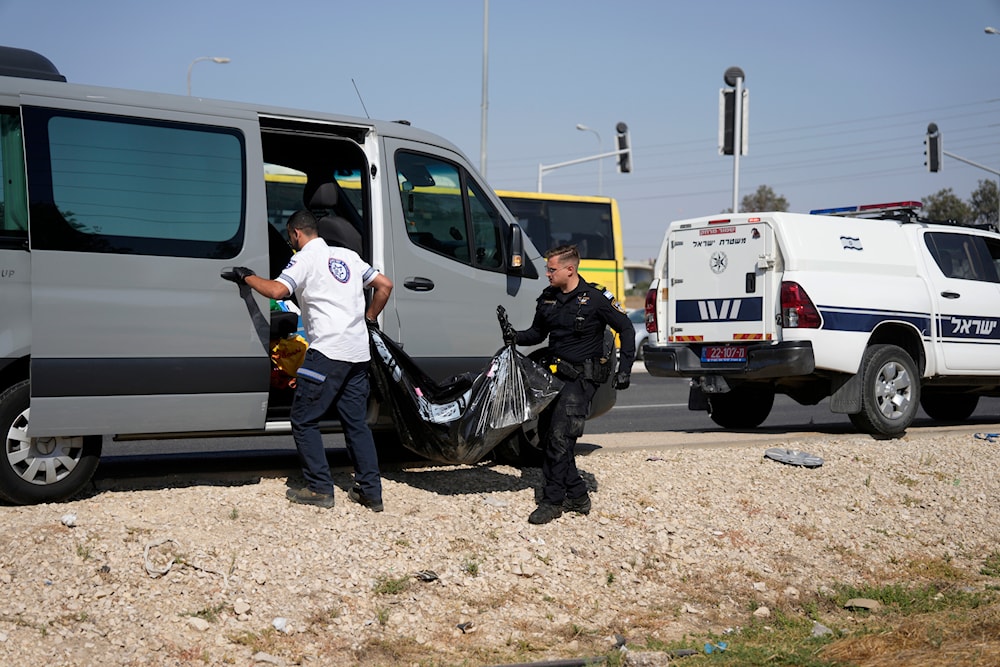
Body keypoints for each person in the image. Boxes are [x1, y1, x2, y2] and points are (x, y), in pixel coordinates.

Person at [230, 210, 393, 511]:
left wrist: (247, 276)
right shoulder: (348, 256)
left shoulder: (304, 259)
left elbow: (278, 290)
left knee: (303, 419)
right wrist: (369, 318)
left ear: (295, 234)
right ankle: (371, 493)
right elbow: (385, 285)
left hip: (328, 352)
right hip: (358, 353)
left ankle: (320, 488)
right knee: (356, 423)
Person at [501, 244, 634, 524]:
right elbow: (537, 334)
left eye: (552, 269)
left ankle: (552, 501)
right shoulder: (548, 298)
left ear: (570, 269)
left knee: (560, 439)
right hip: (555, 376)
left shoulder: (596, 298)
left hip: (582, 380)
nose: (547, 274)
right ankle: (577, 494)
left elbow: (626, 328)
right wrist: (514, 336)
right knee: (550, 438)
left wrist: (625, 369)